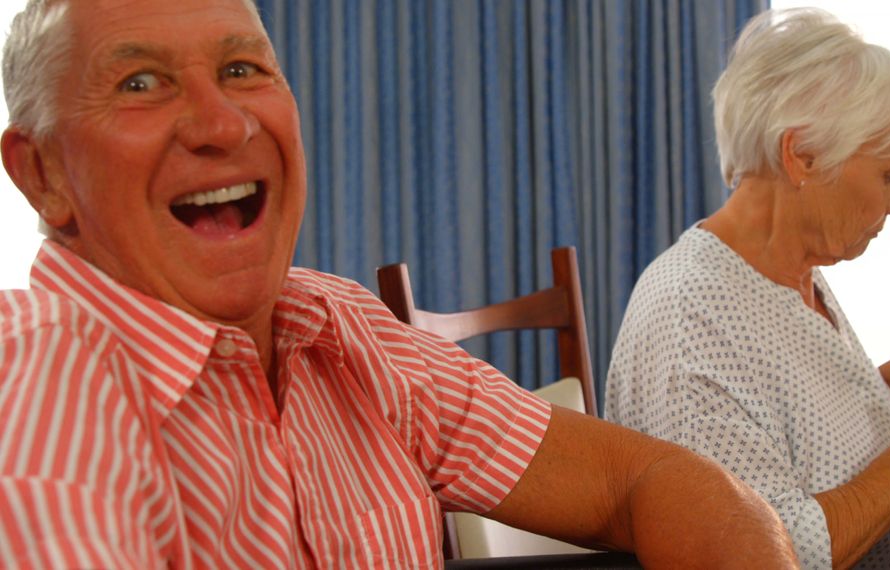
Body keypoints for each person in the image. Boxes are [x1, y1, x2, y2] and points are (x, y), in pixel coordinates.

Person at [0, 0, 799, 568]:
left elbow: (648, 478)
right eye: (141, 83)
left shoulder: (338, 324)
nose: (221, 124)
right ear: (41, 174)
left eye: (242, 69)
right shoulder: (35, 380)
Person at [605, 8, 890, 570]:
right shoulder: (694, 319)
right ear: (802, 157)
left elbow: (787, 434)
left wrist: (887, 380)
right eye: (889, 174)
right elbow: (765, 553)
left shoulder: (788, 274)